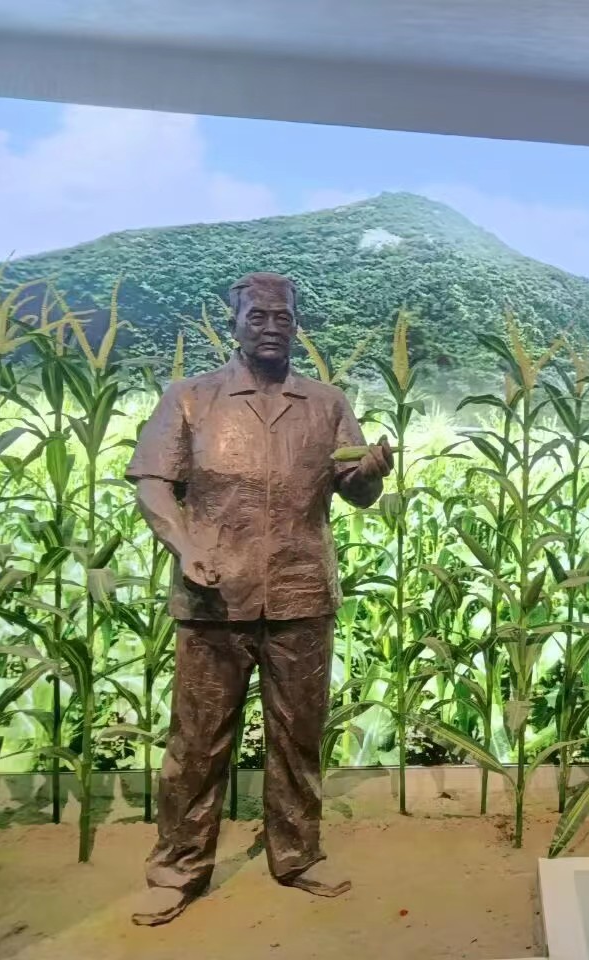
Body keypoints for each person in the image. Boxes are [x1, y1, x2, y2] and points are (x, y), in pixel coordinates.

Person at [126, 273, 395, 926]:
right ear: (236, 321)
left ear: (296, 324)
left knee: (298, 736)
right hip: (213, 595)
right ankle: (178, 867)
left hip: (302, 594)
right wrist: (184, 544)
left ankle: (297, 855)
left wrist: (370, 472)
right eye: (258, 315)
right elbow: (153, 483)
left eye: (283, 316)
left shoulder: (326, 403)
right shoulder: (191, 398)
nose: (271, 326)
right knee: (197, 743)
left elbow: (356, 493)